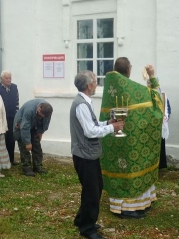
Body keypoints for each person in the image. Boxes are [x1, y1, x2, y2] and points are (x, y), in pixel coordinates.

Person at [100, 57, 164, 219]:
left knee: (120, 166)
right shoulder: (134, 91)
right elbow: (157, 100)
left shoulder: (109, 88)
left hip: (113, 139)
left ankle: (131, 203)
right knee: (131, 168)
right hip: (130, 140)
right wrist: (152, 76)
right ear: (129, 69)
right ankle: (127, 207)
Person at [70, 70, 124, 239]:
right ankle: (87, 228)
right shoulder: (81, 104)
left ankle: (81, 219)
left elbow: (92, 124)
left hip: (88, 155)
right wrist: (112, 128)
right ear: (88, 85)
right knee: (92, 192)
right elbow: (90, 132)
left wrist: (107, 122)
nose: (96, 85)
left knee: (94, 188)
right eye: (94, 82)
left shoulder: (85, 102)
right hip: (85, 156)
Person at [13, 99, 53, 176]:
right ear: (39, 109)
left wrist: (40, 132)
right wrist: (27, 142)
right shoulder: (29, 110)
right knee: (25, 148)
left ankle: (38, 167)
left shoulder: (48, 109)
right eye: (41, 115)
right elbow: (25, 127)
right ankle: (26, 168)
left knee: (37, 147)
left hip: (35, 126)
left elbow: (46, 122)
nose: (42, 117)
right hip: (21, 125)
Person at [0, 70, 19, 165]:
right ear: (2, 79)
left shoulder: (14, 87)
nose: (9, 80)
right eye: (6, 78)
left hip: (12, 117)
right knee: (3, 139)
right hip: (1, 118)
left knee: (11, 139)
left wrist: (16, 116)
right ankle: (2, 160)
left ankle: (11, 160)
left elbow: (17, 102)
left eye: (10, 78)